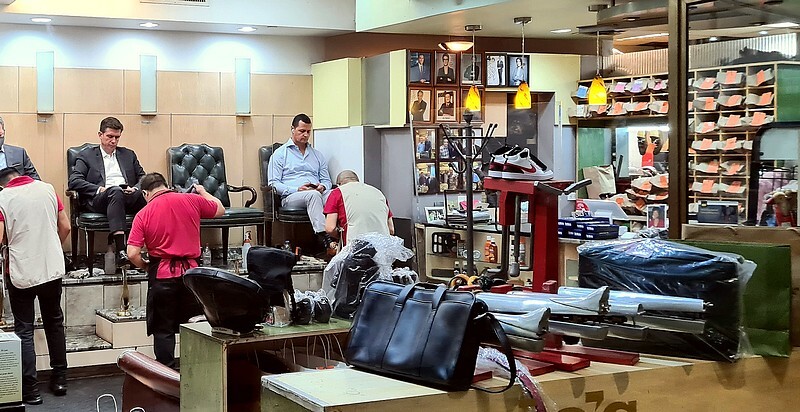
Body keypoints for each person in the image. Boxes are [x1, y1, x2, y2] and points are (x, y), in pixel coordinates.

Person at [126, 172, 224, 368]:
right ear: (166, 185)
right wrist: (203, 191)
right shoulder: (192, 200)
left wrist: (146, 266)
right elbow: (220, 209)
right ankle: (200, 372)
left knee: (163, 329)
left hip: (162, 275)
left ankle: (167, 374)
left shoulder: (143, 213)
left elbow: (132, 253)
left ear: (145, 193)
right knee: (195, 325)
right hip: (192, 276)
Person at [0, 167, 70, 404]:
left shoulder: (3, 198)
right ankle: (60, 380)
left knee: (24, 329)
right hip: (51, 268)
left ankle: (31, 390)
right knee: (54, 322)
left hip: (22, 271)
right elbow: (66, 227)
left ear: (2, 184)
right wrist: (52, 246)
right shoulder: (48, 189)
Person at [68, 117, 146, 263]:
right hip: (100, 199)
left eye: (117, 137)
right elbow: (74, 181)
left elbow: (143, 178)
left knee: (149, 196)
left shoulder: (128, 154)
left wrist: (134, 188)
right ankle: (122, 250)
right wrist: (100, 189)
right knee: (115, 191)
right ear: (100, 135)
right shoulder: (87, 155)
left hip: (126, 196)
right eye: (110, 136)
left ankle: (153, 249)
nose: (114, 141)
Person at [267, 113, 336, 251]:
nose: (305, 135)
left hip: (317, 193)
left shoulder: (317, 155)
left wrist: (323, 186)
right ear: (293, 129)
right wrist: (297, 189)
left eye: (308, 132)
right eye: (302, 131)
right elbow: (273, 184)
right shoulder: (280, 154)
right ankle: (326, 239)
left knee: (337, 194)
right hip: (292, 196)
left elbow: (326, 180)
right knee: (313, 195)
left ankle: (343, 237)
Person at [323, 170, 394, 246]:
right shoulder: (378, 192)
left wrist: (340, 237)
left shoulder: (337, 192)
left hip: (355, 246)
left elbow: (330, 228)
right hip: (382, 246)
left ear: (338, 184)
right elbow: (391, 229)